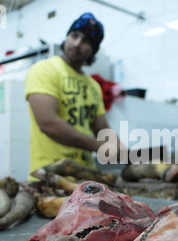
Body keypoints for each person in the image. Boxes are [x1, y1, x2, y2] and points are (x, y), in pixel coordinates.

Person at [25, 12, 125, 176]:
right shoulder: (45, 69)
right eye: (74, 35)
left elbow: (102, 129)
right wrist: (98, 146)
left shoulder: (92, 85)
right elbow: (48, 123)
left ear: (93, 51)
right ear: (66, 37)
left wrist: (124, 151)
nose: (77, 43)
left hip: (86, 177)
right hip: (51, 177)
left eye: (85, 41)